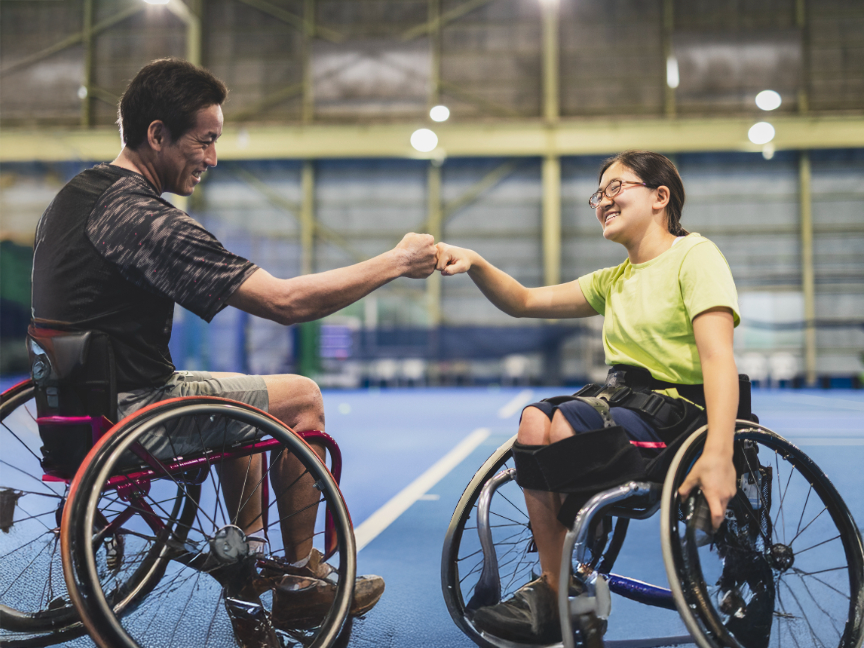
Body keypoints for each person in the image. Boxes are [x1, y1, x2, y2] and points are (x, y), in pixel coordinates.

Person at [30, 58, 437, 629]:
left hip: (68, 409)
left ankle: (250, 563)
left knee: (240, 401)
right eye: (206, 140)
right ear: (156, 135)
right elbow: (288, 303)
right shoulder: (145, 218)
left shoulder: (75, 196)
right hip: (131, 412)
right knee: (300, 397)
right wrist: (395, 262)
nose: (213, 158)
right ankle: (298, 578)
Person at [435, 150, 740, 642]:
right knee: (534, 421)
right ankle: (556, 586)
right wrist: (476, 262)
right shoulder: (612, 280)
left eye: (617, 187)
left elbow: (718, 359)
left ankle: (569, 574)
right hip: (622, 406)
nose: (604, 200)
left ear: (661, 197)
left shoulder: (695, 256)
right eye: (599, 194)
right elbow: (523, 301)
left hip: (680, 418)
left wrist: (720, 453)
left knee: (566, 423)